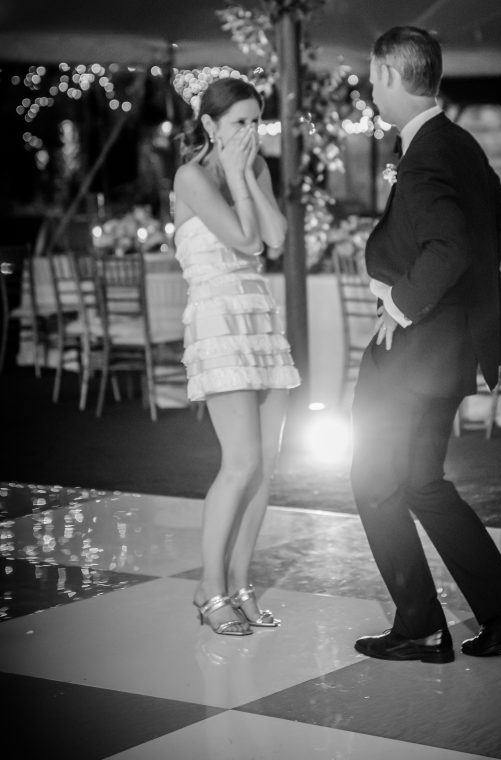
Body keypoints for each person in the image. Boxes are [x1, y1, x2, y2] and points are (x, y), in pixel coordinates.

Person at [351, 26, 501, 663]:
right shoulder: (453, 139)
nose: (370, 85)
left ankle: (421, 626)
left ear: (389, 75)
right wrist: (456, 303)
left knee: (375, 481)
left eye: (372, 74)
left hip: (414, 355)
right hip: (445, 351)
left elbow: (454, 246)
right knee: (422, 483)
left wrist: (406, 305)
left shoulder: (430, 151)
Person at [173, 75, 300, 636]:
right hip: (219, 321)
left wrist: (248, 171)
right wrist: (239, 180)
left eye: (256, 122)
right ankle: (210, 586)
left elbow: (276, 236)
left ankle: (243, 585)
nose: (250, 133)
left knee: (267, 468)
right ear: (208, 125)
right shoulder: (191, 177)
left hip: (259, 319)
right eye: (239, 123)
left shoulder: (255, 167)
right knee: (241, 461)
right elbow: (246, 241)